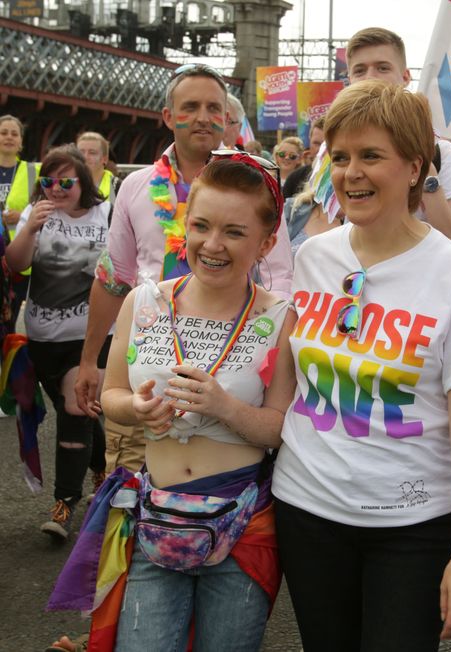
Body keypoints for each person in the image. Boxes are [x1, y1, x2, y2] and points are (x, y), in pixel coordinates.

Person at [272, 79, 451, 650]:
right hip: (307, 510)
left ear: (415, 167)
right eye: (341, 157)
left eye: (372, 155)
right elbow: (287, 382)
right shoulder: (314, 257)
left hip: (413, 527)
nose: (352, 172)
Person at [49, 151, 296, 649]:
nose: (212, 244)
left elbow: (280, 428)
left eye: (234, 231)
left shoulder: (281, 317)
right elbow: (113, 394)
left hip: (242, 524)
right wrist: (134, 410)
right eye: (201, 225)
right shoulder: (145, 302)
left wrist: (225, 407)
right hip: (155, 518)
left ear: (267, 242)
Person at [72, 63, 293, 476]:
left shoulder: (257, 187)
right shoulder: (136, 186)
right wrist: (89, 360)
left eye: (214, 107)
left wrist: (269, 343)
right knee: (133, 496)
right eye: (190, 107)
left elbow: (280, 276)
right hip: (148, 365)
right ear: (169, 117)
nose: (204, 117)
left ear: (227, 119)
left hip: (234, 363)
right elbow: (113, 277)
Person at [4, 146, 111, 540]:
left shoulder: (107, 215)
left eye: (66, 181)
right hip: (42, 335)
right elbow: (16, 265)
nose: (57, 189)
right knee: (83, 410)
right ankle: (101, 467)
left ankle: (64, 504)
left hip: (92, 335)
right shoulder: (37, 215)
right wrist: (30, 228)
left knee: (75, 406)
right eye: (48, 181)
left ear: (85, 183)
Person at [343, 26, 451, 245]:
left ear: (405, 77)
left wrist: (426, 174)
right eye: (360, 70)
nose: (371, 77)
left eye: (383, 68)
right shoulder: (336, 150)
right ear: (349, 79)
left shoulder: (440, 153)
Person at [0, 114, 39, 333]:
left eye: (14, 133)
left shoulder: (34, 170)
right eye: (3, 132)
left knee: (12, 317)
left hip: (21, 260)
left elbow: (45, 200)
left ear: (21, 141)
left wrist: (23, 213)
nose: (9, 137)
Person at [75, 132, 121, 204]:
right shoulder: (67, 184)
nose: (85, 157)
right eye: (81, 152)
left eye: (92, 153)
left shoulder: (117, 187)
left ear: (105, 159)